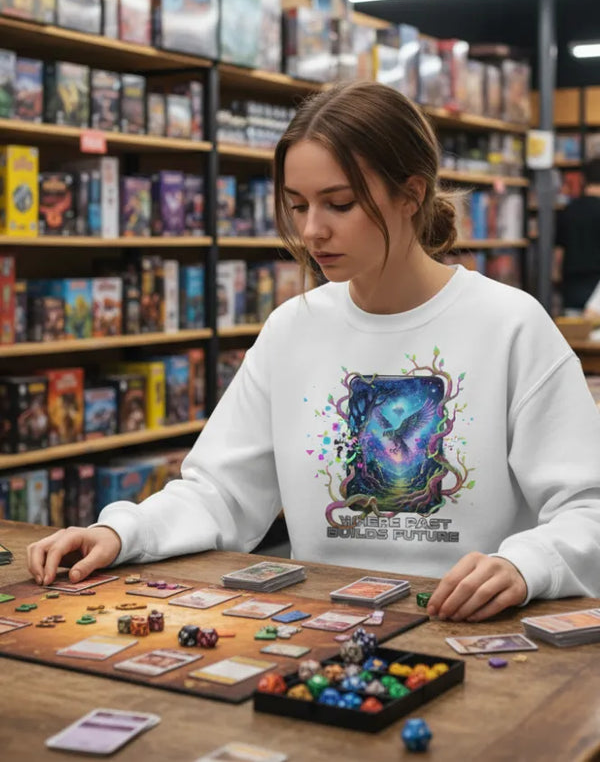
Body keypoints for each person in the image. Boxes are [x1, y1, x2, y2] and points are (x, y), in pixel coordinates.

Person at [28, 81, 600, 623]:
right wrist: (123, 532)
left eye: (340, 204)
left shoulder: (511, 324)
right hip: (326, 626)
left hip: (472, 633)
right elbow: (221, 493)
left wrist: (528, 565)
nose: (311, 232)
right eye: (297, 205)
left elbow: (588, 506)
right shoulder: (291, 330)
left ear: (411, 195)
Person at [554, 157, 600, 313]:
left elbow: (558, 252)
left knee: (573, 334)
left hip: (572, 287)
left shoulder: (568, 210)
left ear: (583, 179)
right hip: (597, 288)